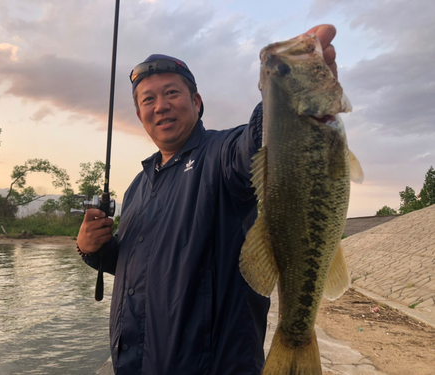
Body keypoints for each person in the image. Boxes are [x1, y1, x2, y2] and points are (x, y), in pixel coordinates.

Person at [77, 24, 339, 375]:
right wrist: (93, 250)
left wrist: (289, 92)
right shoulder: (138, 185)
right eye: (148, 100)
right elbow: (141, 264)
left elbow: (257, 143)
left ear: (196, 102)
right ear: (140, 115)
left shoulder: (221, 154)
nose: (161, 106)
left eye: (172, 92)